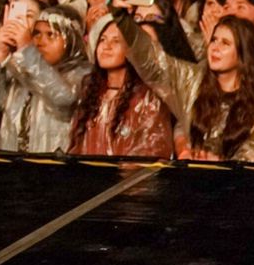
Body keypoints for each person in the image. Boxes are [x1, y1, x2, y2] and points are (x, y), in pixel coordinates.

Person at [113, 0, 254, 162]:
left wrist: (222, 164)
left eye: (225, 43)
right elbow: (151, 60)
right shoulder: (193, 82)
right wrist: (120, 16)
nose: (215, 47)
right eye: (214, 40)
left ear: (243, 54)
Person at [0, 2, 89, 153]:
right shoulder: (21, 67)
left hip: (55, 170)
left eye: (51, 35)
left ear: (72, 39)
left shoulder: (83, 73)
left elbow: (63, 99)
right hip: (10, 168)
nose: (40, 42)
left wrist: (27, 51)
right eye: (36, 34)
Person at [68, 15, 176, 158]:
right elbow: (76, 147)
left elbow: (154, 149)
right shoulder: (89, 92)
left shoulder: (148, 97)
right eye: (102, 40)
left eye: (116, 41)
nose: (107, 46)